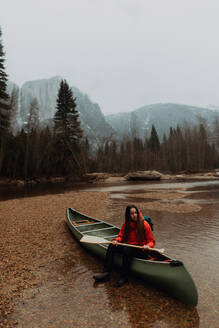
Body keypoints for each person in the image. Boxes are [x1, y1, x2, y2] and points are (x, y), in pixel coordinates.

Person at [93, 204, 155, 288]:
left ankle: (124, 277)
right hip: (129, 246)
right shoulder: (126, 224)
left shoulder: (144, 225)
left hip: (141, 249)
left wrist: (147, 246)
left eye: (135, 213)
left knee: (127, 250)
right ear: (128, 215)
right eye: (131, 214)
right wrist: (116, 240)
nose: (134, 215)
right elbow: (121, 236)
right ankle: (106, 273)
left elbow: (151, 241)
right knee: (112, 246)